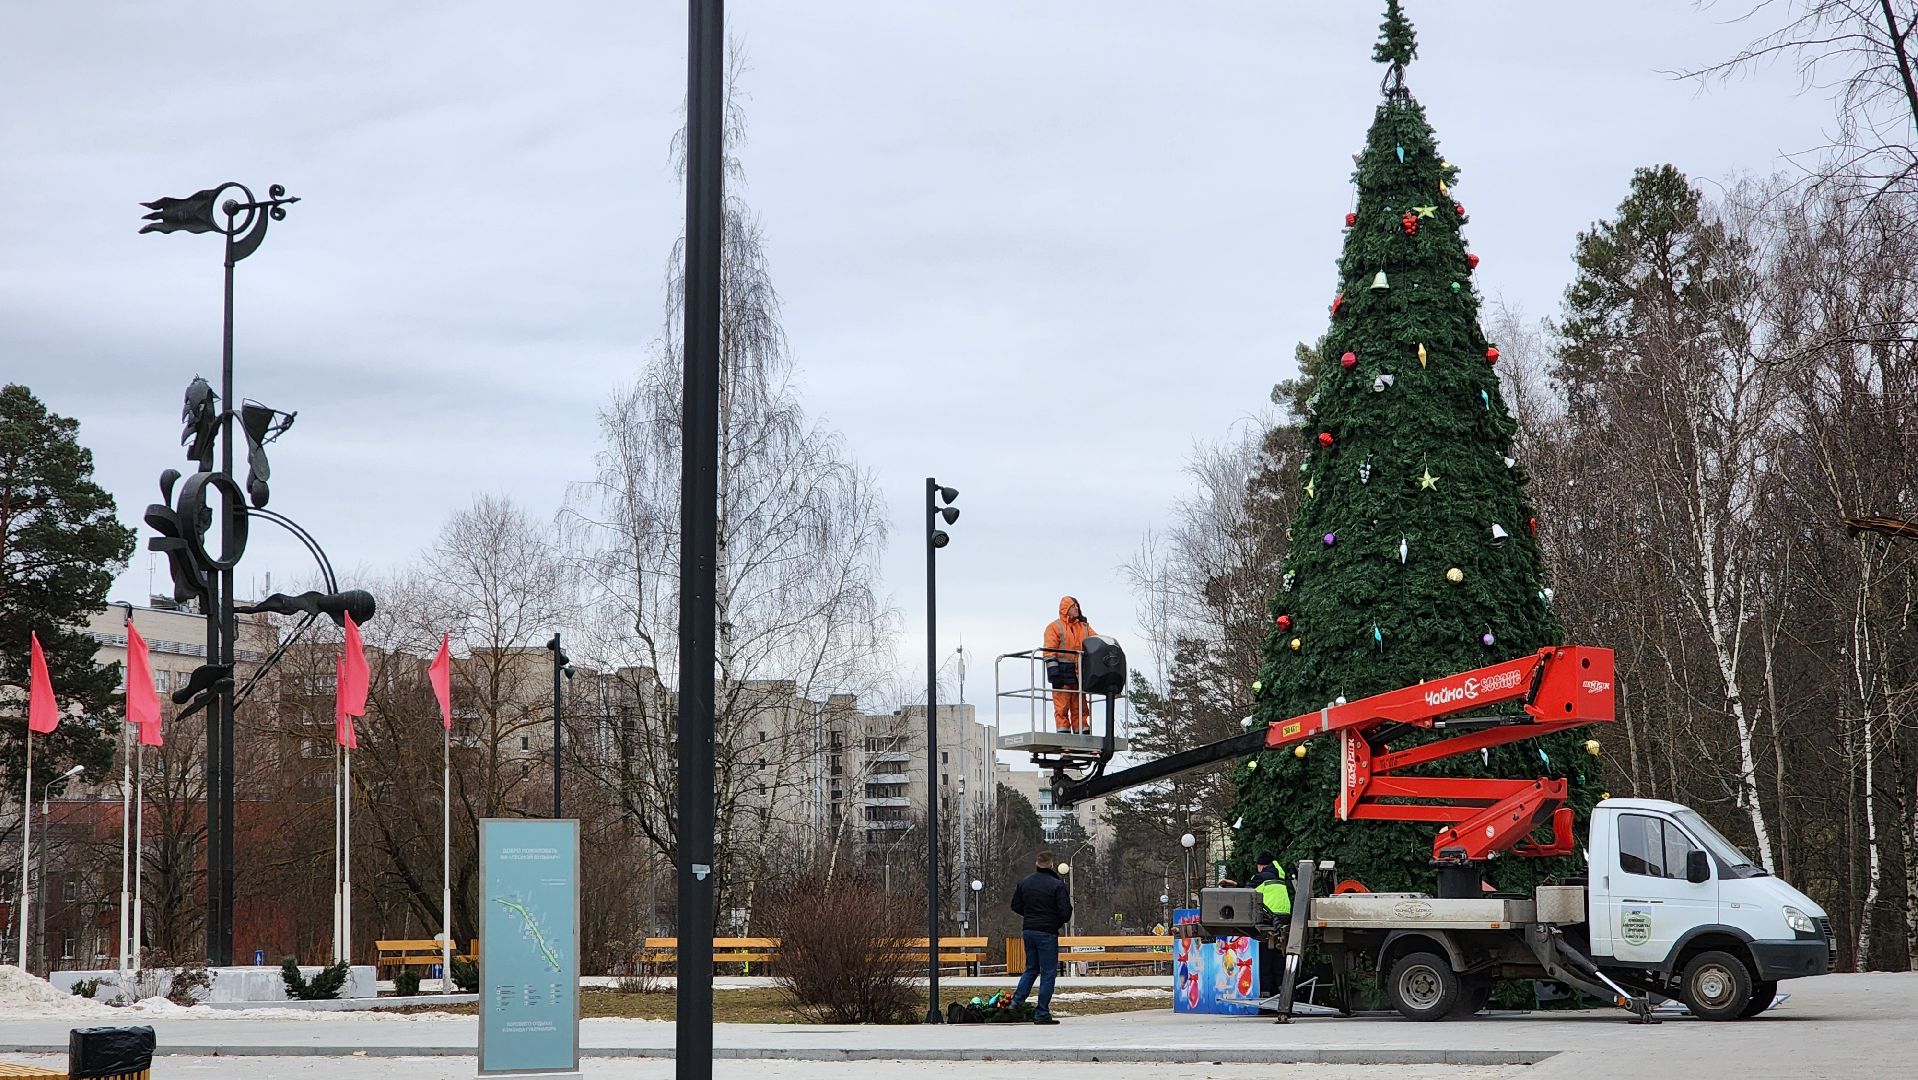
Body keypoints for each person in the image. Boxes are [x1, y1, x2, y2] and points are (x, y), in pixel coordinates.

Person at [1010, 850, 1072, 1024]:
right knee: (1048, 973)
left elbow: (1015, 905)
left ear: (1036, 864)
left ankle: (1016, 1002)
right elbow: (1065, 912)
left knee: (1030, 969)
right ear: (1052, 865)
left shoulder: (1024, 883)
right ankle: (1042, 1012)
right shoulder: (1057, 885)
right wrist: (1053, 922)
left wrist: (1030, 915)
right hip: (1047, 933)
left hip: (1028, 930)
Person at [1042, 596, 1096, 733]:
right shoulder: (1054, 627)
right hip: (1062, 673)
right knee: (1062, 706)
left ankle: (1083, 733)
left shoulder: (1084, 627)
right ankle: (1063, 734)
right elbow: (1049, 651)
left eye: (1077, 606)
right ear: (1066, 609)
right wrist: (1054, 674)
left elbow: (1096, 641)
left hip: (1078, 674)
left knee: (1080, 706)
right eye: (1073, 606)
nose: (1076, 608)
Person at [1248, 852, 1290, 919]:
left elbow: (1245, 892)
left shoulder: (1261, 877)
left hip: (1269, 915)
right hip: (1285, 914)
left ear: (1261, 866)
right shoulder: (1280, 878)